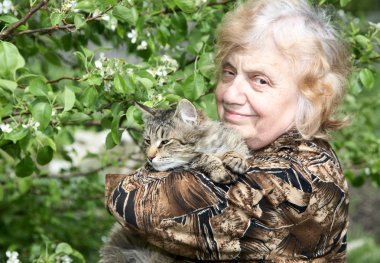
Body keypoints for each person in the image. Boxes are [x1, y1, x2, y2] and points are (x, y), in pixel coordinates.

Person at [101, 0, 350, 262]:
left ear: (312, 97)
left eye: (260, 80)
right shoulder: (262, 149)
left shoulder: (295, 179)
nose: (231, 94)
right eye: (229, 72)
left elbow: (131, 200)